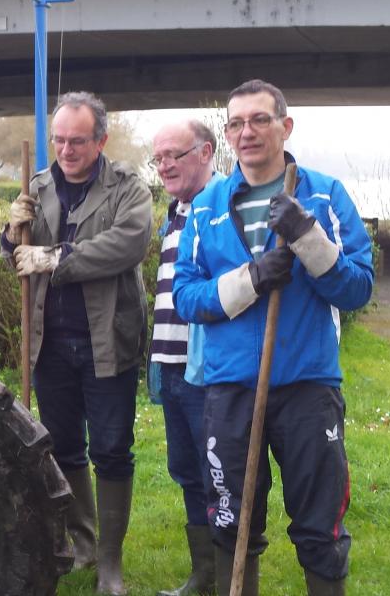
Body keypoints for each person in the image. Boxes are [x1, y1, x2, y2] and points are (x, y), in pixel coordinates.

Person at [173, 79, 374, 596]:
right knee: (232, 521)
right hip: (230, 388)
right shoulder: (207, 205)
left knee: (319, 523)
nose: (247, 132)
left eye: (260, 119)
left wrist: (308, 236)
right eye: (236, 123)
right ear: (227, 134)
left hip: (308, 385)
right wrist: (253, 278)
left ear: (285, 126)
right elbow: (187, 298)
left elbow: (357, 288)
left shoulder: (325, 195)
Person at [1, 91, 152, 596]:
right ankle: (83, 542)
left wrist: (55, 258)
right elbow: (18, 259)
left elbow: (126, 245)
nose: (66, 150)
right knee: (63, 445)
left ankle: (110, 562)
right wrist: (12, 233)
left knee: (111, 449)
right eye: (59, 140)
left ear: (100, 141)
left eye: (78, 141)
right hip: (50, 344)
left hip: (107, 341)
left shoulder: (127, 188)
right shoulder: (38, 185)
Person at [146, 120, 223, 596]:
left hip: (207, 371)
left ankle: (228, 572)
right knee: (187, 471)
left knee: (217, 473)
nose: (164, 165)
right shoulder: (174, 212)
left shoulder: (221, 207)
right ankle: (204, 576)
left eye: (174, 155)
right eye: (158, 158)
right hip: (170, 366)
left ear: (206, 152)